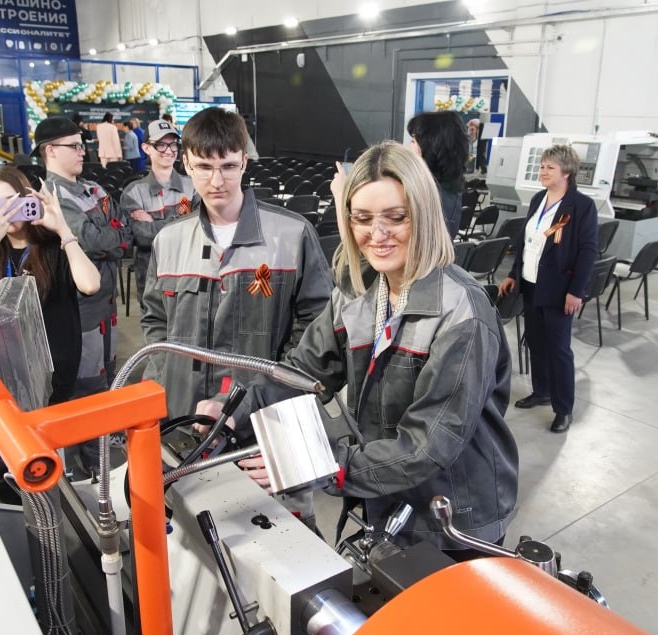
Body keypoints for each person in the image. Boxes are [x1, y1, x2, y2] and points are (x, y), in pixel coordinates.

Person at [200, 141, 519, 559]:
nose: (377, 234)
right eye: (363, 218)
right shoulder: (359, 292)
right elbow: (302, 371)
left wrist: (323, 463)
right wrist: (233, 411)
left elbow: (426, 447)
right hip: (387, 498)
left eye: (396, 217)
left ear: (424, 214)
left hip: (453, 517)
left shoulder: (463, 314)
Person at [141, 107, 333, 526]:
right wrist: (163, 387)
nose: (217, 181)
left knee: (286, 540)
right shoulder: (168, 241)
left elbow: (318, 331)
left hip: (265, 430)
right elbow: (155, 322)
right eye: (204, 167)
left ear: (244, 161)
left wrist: (266, 394)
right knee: (195, 535)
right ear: (186, 163)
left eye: (228, 166)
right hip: (185, 427)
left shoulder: (292, 234)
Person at [34, 116, 133, 469]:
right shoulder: (51, 197)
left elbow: (123, 229)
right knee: (87, 388)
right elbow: (91, 240)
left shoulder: (94, 189)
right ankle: (91, 466)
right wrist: (114, 239)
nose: (82, 152)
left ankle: (102, 448)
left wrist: (113, 239)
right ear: (50, 151)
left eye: (82, 145)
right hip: (81, 311)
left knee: (108, 377)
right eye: (74, 146)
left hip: (106, 305)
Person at [0, 165, 100, 405]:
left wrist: (63, 229)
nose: (7, 211)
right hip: (6, 365)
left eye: (13, 201)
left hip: (55, 367)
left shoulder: (53, 243)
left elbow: (90, 285)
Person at [497, 144, 598, 433]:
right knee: (536, 342)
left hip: (559, 289)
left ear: (566, 172)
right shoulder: (538, 199)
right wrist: (514, 274)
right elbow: (527, 242)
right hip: (531, 283)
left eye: (549, 167)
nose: (543, 171)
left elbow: (588, 251)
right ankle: (541, 391)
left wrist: (576, 291)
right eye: (542, 166)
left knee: (559, 350)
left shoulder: (581, 206)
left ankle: (563, 408)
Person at [120, 119, 196, 309]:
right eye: (161, 145)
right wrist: (181, 222)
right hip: (151, 283)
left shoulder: (193, 186)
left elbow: (199, 230)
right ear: (146, 148)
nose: (169, 150)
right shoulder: (133, 192)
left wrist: (153, 223)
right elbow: (142, 237)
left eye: (173, 144)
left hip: (188, 278)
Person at [406, 110, 469, 239]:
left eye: (413, 141)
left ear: (429, 148)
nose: (408, 148)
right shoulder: (451, 190)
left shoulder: (422, 195)